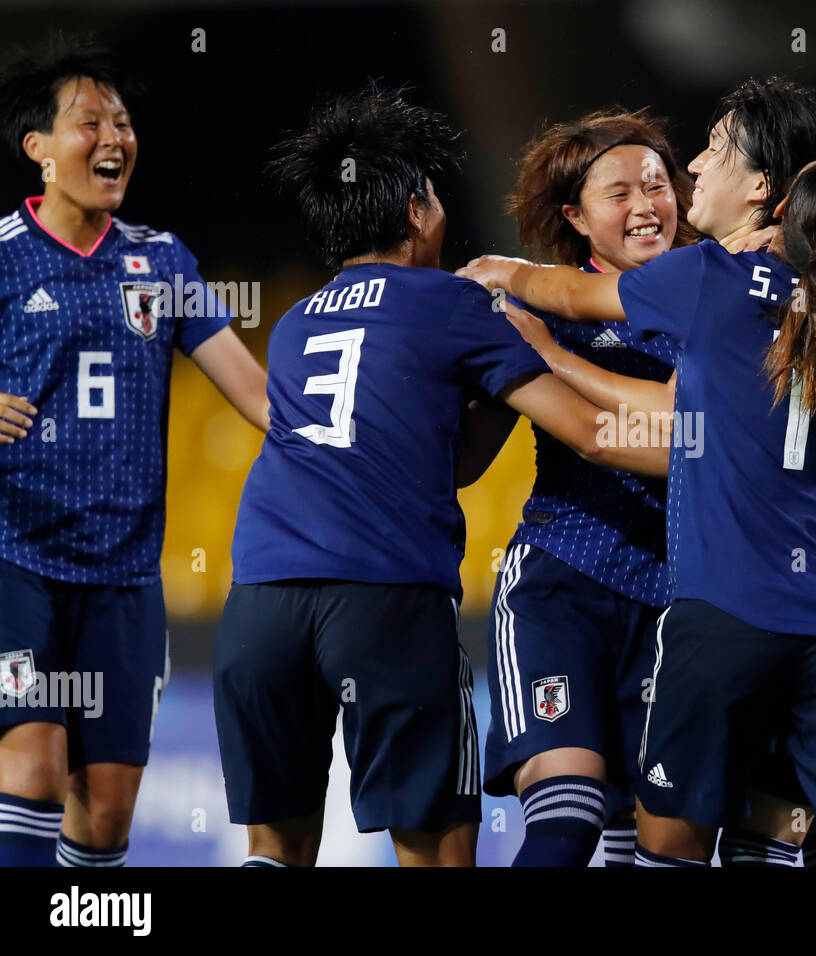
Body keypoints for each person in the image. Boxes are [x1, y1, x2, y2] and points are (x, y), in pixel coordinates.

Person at [212, 84, 666, 867]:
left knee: (273, 848)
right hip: (385, 601)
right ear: (419, 210)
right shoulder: (454, 304)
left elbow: (444, 459)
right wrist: (721, 445)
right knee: (437, 851)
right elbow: (593, 434)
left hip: (258, 604)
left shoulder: (294, 323)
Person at [462, 147, 816, 867]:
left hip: (723, 608)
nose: (685, 175)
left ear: (776, 204)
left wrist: (512, 297)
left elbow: (630, 393)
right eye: (623, 190)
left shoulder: (708, 280)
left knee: (665, 839)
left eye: (702, 158)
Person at [0, 37, 268, 867]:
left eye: (122, 121)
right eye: (90, 122)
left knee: (107, 811)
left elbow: (257, 396)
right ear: (38, 149)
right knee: (33, 766)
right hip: (16, 562)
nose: (114, 137)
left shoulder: (162, 261)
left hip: (123, 574)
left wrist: (360, 438)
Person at [482, 109, 695, 867]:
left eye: (658, 185)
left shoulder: (719, 299)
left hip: (681, 601)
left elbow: (686, 447)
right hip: (561, 583)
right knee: (566, 820)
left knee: (650, 842)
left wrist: (554, 361)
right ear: (574, 215)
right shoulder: (532, 305)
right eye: (620, 192)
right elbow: (467, 453)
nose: (646, 205)